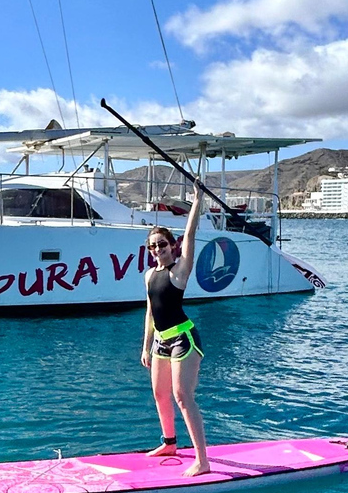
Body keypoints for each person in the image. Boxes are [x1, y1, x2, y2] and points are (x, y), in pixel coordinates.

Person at [141, 179, 209, 477]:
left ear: (172, 246)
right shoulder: (149, 275)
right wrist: (146, 346)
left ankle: (202, 460)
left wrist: (196, 202)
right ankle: (169, 443)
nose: (158, 249)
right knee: (159, 394)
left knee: (183, 395)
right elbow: (149, 312)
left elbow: (191, 234)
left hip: (184, 337)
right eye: (153, 246)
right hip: (160, 341)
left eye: (163, 244)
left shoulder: (179, 270)